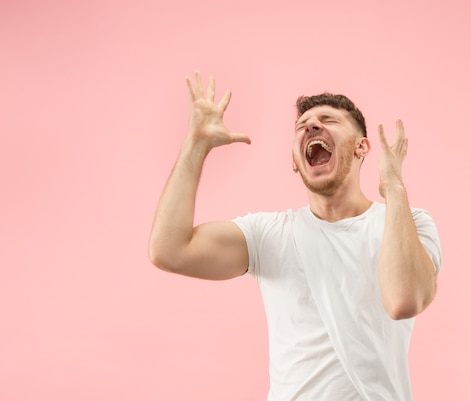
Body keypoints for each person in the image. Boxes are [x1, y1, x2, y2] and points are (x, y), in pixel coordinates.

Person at [149, 71, 442, 401]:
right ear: (294, 161)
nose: (312, 126)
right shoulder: (269, 235)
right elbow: (169, 250)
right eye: (303, 125)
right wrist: (196, 144)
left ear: (362, 147)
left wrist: (394, 188)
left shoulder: (408, 223)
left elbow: (405, 300)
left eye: (327, 119)